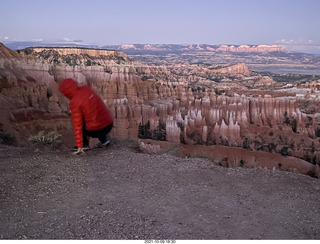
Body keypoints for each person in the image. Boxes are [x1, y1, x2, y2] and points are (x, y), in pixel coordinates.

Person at [59, 78, 113, 154]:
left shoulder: (74, 102)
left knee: (81, 123)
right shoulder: (86, 89)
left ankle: (84, 145)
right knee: (96, 118)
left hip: (97, 130)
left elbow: (77, 125)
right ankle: (104, 140)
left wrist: (79, 145)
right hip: (109, 124)